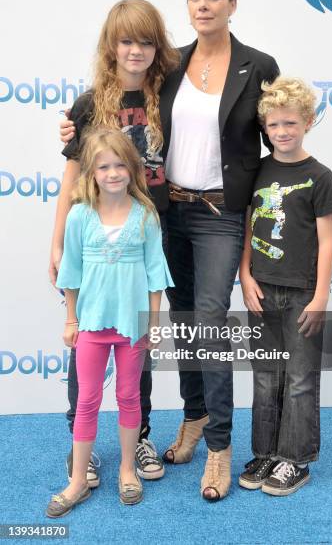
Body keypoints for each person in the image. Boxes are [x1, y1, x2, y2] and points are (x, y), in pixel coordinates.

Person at [60, 0, 279, 501]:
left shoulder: (258, 64)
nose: (203, 6)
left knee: (207, 322)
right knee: (182, 325)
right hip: (165, 214)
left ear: (232, 2)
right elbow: (116, 103)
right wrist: (74, 120)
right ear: (187, 4)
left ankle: (220, 449)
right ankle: (194, 418)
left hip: (221, 218)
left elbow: (277, 142)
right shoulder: (171, 65)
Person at [50, 0, 180, 487]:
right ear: (111, 45)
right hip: (94, 234)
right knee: (86, 335)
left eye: (147, 41)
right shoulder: (87, 105)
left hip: (146, 227)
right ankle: (77, 442)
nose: (136, 50)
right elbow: (70, 178)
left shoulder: (168, 95)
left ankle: (140, 431)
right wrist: (58, 239)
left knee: (135, 335)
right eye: (127, 40)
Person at [46, 127, 173, 517]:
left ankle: (126, 470)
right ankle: (78, 479)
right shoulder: (80, 215)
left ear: (133, 170)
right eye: (104, 167)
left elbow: (155, 275)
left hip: (132, 328)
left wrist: (151, 322)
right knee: (86, 399)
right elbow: (71, 273)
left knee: (130, 397)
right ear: (92, 172)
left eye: (120, 165)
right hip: (91, 326)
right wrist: (71, 319)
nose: (113, 173)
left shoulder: (145, 216)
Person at [238, 77, 332, 495]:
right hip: (261, 289)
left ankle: (295, 459)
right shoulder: (258, 169)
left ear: (308, 122)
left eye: (291, 123)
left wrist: (320, 295)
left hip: (301, 293)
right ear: (265, 127)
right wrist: (245, 274)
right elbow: (247, 224)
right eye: (275, 124)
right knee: (265, 376)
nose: (282, 132)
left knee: (299, 379)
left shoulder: (319, 176)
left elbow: (328, 239)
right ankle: (265, 453)